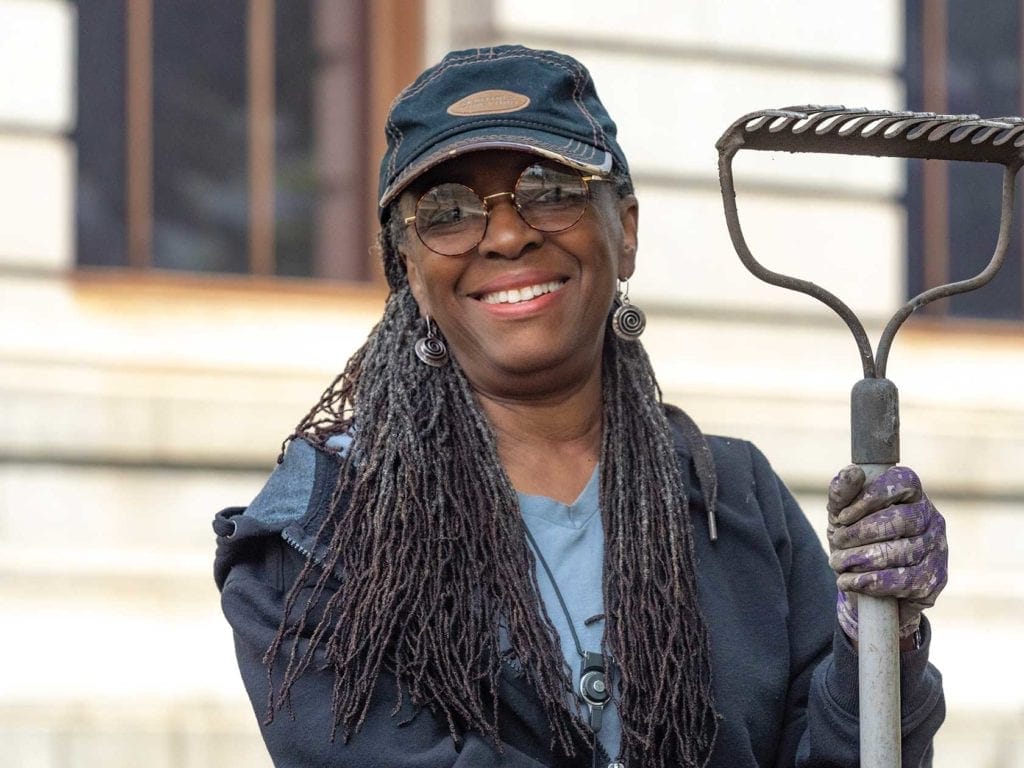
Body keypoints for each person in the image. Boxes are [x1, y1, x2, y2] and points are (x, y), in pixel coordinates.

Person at [213, 45, 947, 768]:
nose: (506, 234)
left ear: (624, 230)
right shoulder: (320, 536)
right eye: (447, 210)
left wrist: (879, 641)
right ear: (408, 264)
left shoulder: (734, 499)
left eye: (551, 190)